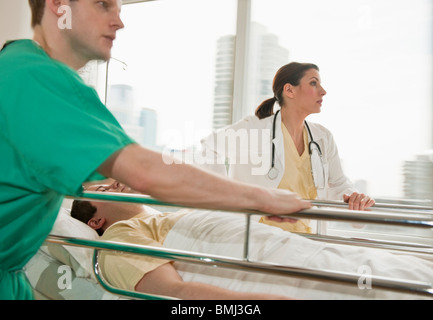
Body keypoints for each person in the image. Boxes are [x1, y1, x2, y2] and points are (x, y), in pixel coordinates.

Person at [0, 0, 310, 300]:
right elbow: (146, 171)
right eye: (102, 4)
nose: (119, 21)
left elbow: (118, 171)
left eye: (120, 8)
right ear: (59, 5)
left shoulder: (23, 70)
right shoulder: (33, 77)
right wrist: (262, 197)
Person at [71, 181, 433, 300]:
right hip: (280, 277)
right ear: (97, 220)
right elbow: (175, 291)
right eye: (101, 189)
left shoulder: (173, 214)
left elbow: (253, 226)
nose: (113, 183)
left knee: (395, 273)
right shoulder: (119, 238)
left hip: (293, 248)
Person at [200, 62, 375, 233]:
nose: (323, 91)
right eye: (314, 83)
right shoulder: (254, 129)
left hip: (307, 236)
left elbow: (338, 183)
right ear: (289, 90)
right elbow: (210, 145)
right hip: (259, 237)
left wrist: (353, 197)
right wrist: (224, 197)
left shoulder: (322, 137)